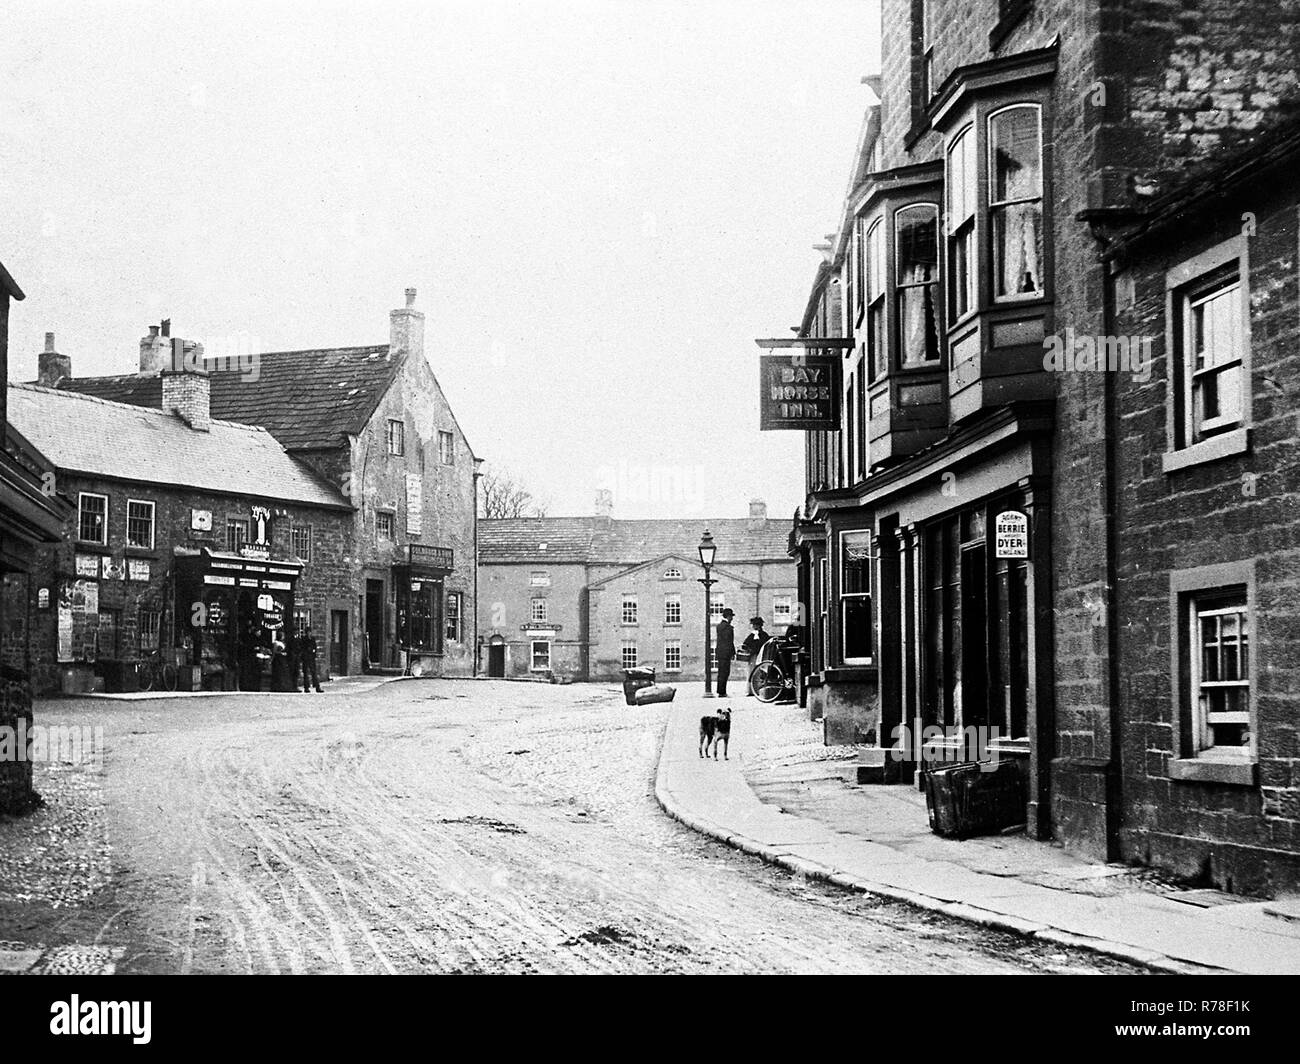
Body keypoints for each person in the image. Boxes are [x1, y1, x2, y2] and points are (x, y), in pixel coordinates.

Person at [740, 616, 770, 696]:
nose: (753, 626)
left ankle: (757, 690)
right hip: (753, 656)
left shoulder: (763, 635)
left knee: (758, 673)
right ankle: (751, 691)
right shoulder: (752, 635)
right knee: (751, 673)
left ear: (759, 625)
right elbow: (745, 644)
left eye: (755, 625)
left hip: (761, 656)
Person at [715, 607, 736, 698]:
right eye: (731, 616)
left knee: (721, 672)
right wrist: (733, 652)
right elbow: (729, 641)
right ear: (728, 616)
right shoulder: (728, 627)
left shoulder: (719, 626)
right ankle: (722, 692)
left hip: (720, 652)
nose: (732, 619)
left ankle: (721, 691)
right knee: (725, 672)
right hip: (726, 653)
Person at [298, 625, 323, 693]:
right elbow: (302, 648)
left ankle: (317, 687)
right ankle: (306, 687)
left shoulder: (312, 639)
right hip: (306, 658)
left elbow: (315, 647)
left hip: (311, 658)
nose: (309, 633)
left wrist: (313, 652)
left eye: (310, 632)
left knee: (314, 672)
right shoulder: (303, 639)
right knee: (306, 673)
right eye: (308, 632)